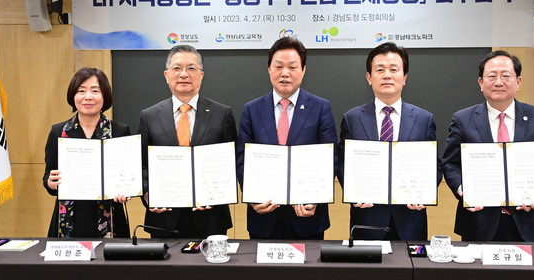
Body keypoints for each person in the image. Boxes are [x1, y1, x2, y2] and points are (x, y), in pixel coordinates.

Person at [441, 50, 534, 242]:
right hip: (478, 220)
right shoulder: (463, 119)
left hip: (527, 220)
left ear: (518, 82)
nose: (498, 82)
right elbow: (450, 164)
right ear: (481, 83)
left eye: (506, 76)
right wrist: (462, 188)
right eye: (491, 76)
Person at [337, 42, 442, 241]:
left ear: (405, 77)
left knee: (411, 262)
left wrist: (425, 193)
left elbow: (434, 166)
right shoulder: (352, 118)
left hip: (410, 218)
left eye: (394, 69)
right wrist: (352, 191)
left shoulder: (424, 119)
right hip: (367, 218)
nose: (387, 75)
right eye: (380, 70)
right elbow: (342, 164)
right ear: (369, 77)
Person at [237, 37, 338, 239]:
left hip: (307, 217)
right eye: (278, 66)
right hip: (263, 216)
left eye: (292, 67)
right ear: (269, 69)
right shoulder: (251, 109)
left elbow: (331, 158)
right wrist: (252, 198)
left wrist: (316, 198)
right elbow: (241, 159)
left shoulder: (321, 108)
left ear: (303, 70)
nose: (285, 73)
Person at [138, 45, 237, 238]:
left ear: (201, 75)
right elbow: (141, 165)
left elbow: (231, 162)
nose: (184, 74)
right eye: (177, 68)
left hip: (210, 218)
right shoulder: (149, 116)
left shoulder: (222, 114)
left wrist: (217, 194)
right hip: (163, 217)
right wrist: (148, 194)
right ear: (166, 75)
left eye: (191, 68)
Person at [43, 67, 131, 238]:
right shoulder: (58, 132)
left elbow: (127, 177)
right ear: (73, 95)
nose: (88, 97)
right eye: (81, 91)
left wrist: (127, 191)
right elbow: (48, 175)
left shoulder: (120, 131)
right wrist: (50, 182)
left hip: (111, 218)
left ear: (105, 95)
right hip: (71, 218)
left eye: (95, 91)